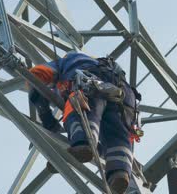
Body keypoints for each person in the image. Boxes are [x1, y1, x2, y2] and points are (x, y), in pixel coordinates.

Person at [28, 52, 141, 193]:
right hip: (125, 95)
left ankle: (82, 145)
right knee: (117, 134)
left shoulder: (65, 62)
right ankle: (119, 172)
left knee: (79, 110)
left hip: (90, 80)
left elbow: (35, 74)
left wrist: (45, 115)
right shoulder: (102, 64)